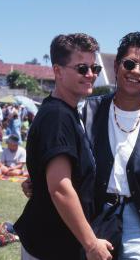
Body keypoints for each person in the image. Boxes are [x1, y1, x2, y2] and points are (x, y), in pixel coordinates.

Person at [23, 32, 140, 260]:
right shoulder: (85, 111)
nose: (136, 71)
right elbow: (59, 157)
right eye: (129, 64)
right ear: (117, 65)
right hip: (93, 215)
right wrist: (37, 179)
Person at [14, 33, 113, 260]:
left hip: (56, 242)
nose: (91, 75)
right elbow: (60, 188)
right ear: (58, 71)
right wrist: (91, 244)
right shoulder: (58, 116)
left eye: (94, 68)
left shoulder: (65, 112)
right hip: (50, 246)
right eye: (82, 68)